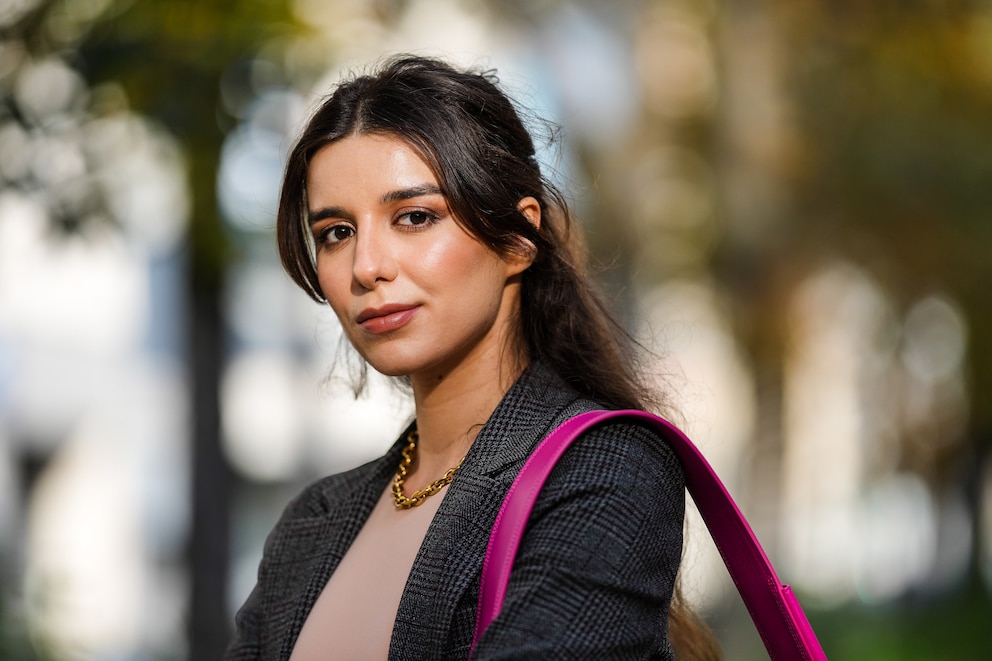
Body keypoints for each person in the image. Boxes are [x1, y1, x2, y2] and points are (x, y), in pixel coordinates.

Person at [227, 55, 719, 660]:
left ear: (517, 239)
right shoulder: (313, 522)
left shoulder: (604, 468)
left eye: (413, 217)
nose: (366, 267)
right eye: (336, 232)